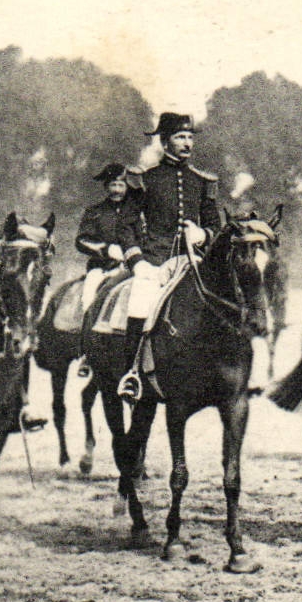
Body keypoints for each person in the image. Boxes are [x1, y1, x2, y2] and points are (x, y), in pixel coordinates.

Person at [116, 113, 222, 401]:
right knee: (139, 301)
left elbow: (215, 225)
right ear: (165, 142)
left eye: (190, 137)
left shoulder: (202, 181)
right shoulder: (145, 179)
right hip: (155, 262)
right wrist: (138, 262)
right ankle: (132, 374)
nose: (187, 143)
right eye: (180, 137)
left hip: (191, 261)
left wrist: (202, 235)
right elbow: (125, 224)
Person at [75, 162, 145, 320]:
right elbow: (82, 240)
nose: (118, 190)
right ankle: (89, 336)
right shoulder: (95, 212)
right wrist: (107, 250)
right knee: (89, 297)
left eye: (121, 185)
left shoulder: (139, 212)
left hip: (135, 265)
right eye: (114, 185)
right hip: (104, 267)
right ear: (106, 187)